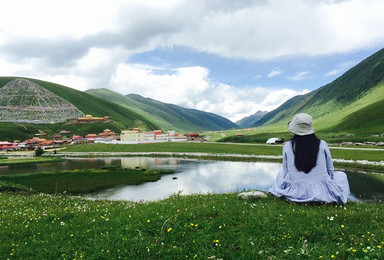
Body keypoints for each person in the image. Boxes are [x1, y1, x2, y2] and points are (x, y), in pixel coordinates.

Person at [269, 113, 350, 204]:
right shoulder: (322, 144)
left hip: (296, 192)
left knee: (281, 173)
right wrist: (328, 184)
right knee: (342, 175)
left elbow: (286, 171)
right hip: (321, 192)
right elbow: (330, 170)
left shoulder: (288, 146)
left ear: (294, 129)